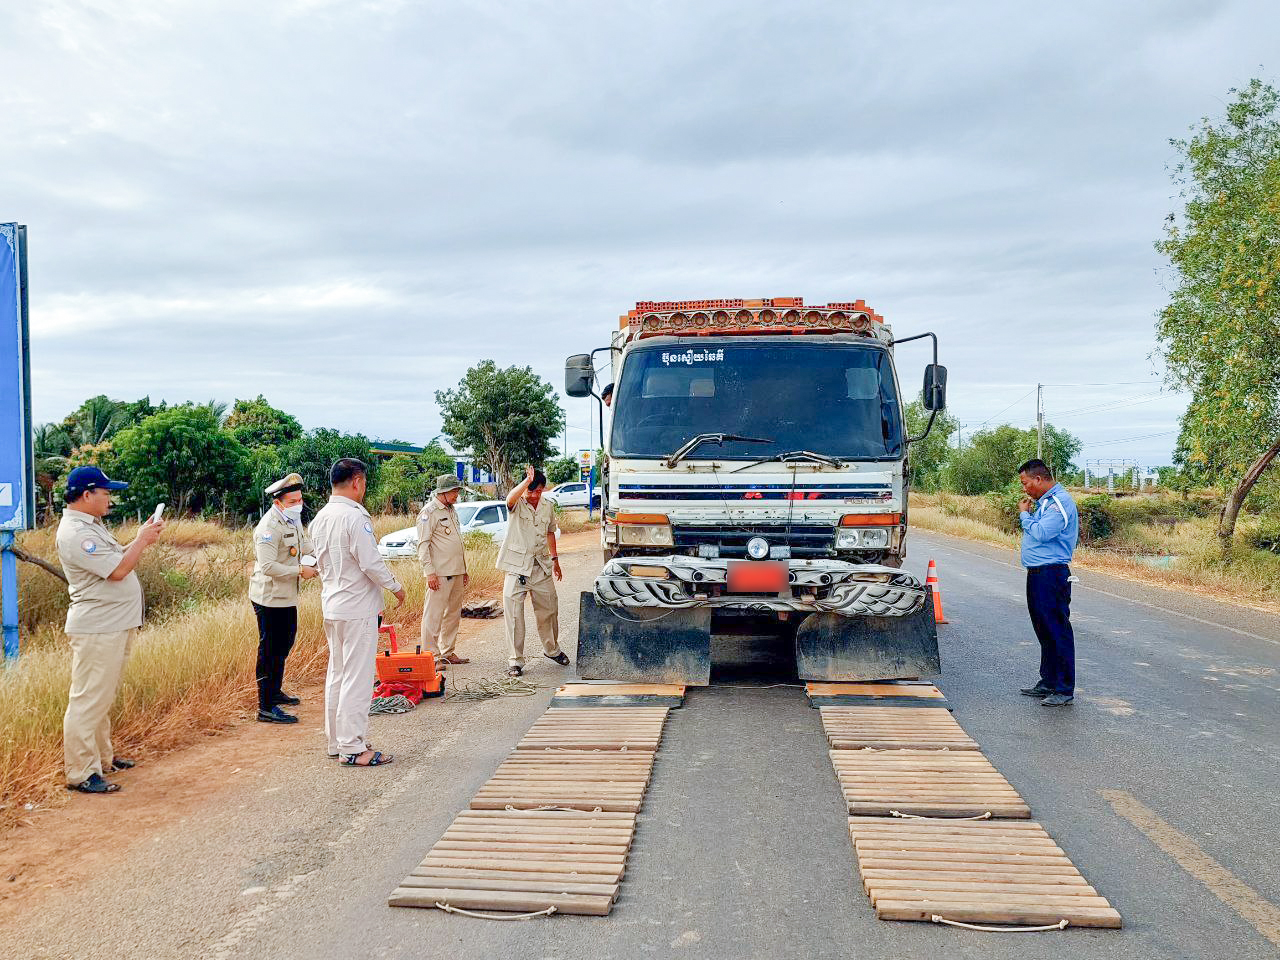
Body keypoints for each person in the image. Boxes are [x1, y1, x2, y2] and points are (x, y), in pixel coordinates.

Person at [55, 466, 165, 794]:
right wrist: (143, 541)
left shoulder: (92, 526)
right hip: (98, 628)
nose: (110, 499)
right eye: (106, 493)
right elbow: (118, 570)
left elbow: (115, 556)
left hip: (112, 624)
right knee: (89, 699)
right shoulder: (77, 533)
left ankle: (102, 759)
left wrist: (139, 537)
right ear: (87, 494)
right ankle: (80, 772)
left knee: (102, 696)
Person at [309, 458, 405, 766]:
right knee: (358, 678)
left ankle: (337, 741)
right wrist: (396, 586)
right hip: (357, 607)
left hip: (333, 605)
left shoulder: (320, 517)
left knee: (337, 674)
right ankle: (353, 747)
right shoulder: (354, 516)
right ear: (357, 482)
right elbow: (370, 561)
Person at [249, 472, 318, 724]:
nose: (298, 504)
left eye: (299, 500)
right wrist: (300, 570)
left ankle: (275, 692)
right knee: (270, 650)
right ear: (278, 503)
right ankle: (265, 706)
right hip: (269, 597)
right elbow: (267, 566)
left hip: (287, 595)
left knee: (285, 643)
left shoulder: (292, 520)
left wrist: (322, 555)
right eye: (292, 501)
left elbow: (304, 546)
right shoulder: (268, 527)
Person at [1016, 459, 1080, 706]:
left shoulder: (1060, 503)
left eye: (1026, 483)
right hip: (1038, 572)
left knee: (1056, 630)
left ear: (1039, 479)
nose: (1025, 489)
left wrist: (1024, 515)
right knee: (1043, 629)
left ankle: (1064, 688)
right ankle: (1049, 681)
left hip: (1052, 574)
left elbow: (1043, 533)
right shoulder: (1045, 503)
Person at [497, 466, 570, 677]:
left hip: (541, 565)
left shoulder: (547, 506)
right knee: (514, 615)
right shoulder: (517, 503)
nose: (534, 495)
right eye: (531, 491)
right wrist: (525, 483)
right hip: (516, 567)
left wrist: (555, 560)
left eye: (538, 491)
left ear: (543, 490)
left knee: (548, 609)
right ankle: (515, 660)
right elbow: (510, 498)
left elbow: (550, 533)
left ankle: (552, 649)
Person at [418, 474, 471, 664]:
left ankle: (447, 651)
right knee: (433, 615)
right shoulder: (429, 512)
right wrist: (429, 573)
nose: (457, 494)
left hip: (456, 571)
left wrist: (463, 569)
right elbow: (423, 545)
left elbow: (455, 541)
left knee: (453, 614)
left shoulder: (451, 510)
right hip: (439, 574)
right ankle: (431, 656)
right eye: (455, 491)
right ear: (444, 492)